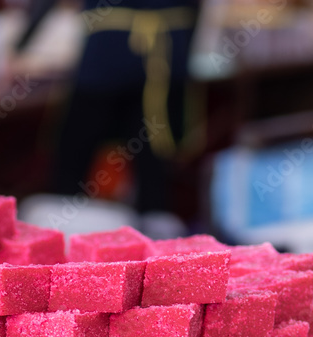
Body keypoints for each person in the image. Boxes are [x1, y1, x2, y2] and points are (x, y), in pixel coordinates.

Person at [17, 0, 199, 214]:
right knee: (152, 154)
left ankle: (63, 222)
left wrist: (19, 47)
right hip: (166, 52)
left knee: (77, 153)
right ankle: (154, 220)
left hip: (111, 55)